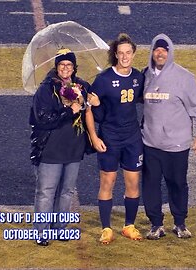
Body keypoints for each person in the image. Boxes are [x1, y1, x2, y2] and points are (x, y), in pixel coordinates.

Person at [29, 48, 99, 246]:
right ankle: (41, 232)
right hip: (51, 149)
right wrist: (69, 110)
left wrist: (94, 101)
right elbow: (43, 119)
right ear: (56, 67)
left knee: (67, 191)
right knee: (46, 192)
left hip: (73, 148)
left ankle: (60, 229)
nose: (65, 68)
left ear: (74, 67)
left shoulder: (82, 86)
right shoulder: (45, 89)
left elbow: (93, 107)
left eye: (69, 65)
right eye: (62, 65)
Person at [141, 34, 196, 239]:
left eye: (164, 50)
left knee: (177, 183)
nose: (160, 53)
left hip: (176, 144)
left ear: (170, 52)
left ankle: (179, 222)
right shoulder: (145, 76)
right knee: (150, 185)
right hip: (150, 143)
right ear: (152, 52)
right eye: (157, 49)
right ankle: (156, 224)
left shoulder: (185, 77)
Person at [86, 33, 144, 244]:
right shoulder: (103, 80)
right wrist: (93, 136)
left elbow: (144, 100)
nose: (125, 56)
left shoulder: (139, 77)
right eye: (121, 53)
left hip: (132, 138)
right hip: (110, 138)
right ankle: (106, 228)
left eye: (128, 52)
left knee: (133, 183)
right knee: (107, 181)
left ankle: (129, 225)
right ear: (115, 55)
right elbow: (89, 109)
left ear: (134, 54)